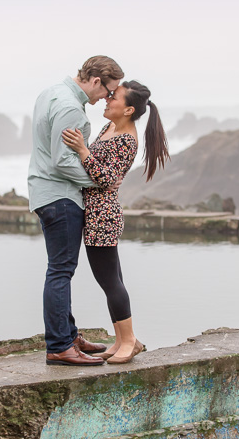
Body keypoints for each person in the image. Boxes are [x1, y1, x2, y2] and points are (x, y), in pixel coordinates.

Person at [61, 80, 169, 364]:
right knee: (112, 279)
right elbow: (104, 174)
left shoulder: (126, 139)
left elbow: (108, 179)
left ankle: (130, 340)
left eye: (115, 98)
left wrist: (83, 151)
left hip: (103, 215)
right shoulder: (110, 128)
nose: (108, 100)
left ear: (129, 109)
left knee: (110, 281)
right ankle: (122, 339)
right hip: (97, 210)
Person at [28, 56, 124, 366]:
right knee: (61, 270)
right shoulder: (71, 107)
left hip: (46, 192)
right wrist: (99, 181)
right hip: (60, 196)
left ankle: (68, 336)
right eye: (108, 91)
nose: (106, 98)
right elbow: (63, 161)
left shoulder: (52, 92)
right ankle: (59, 346)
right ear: (96, 81)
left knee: (60, 268)